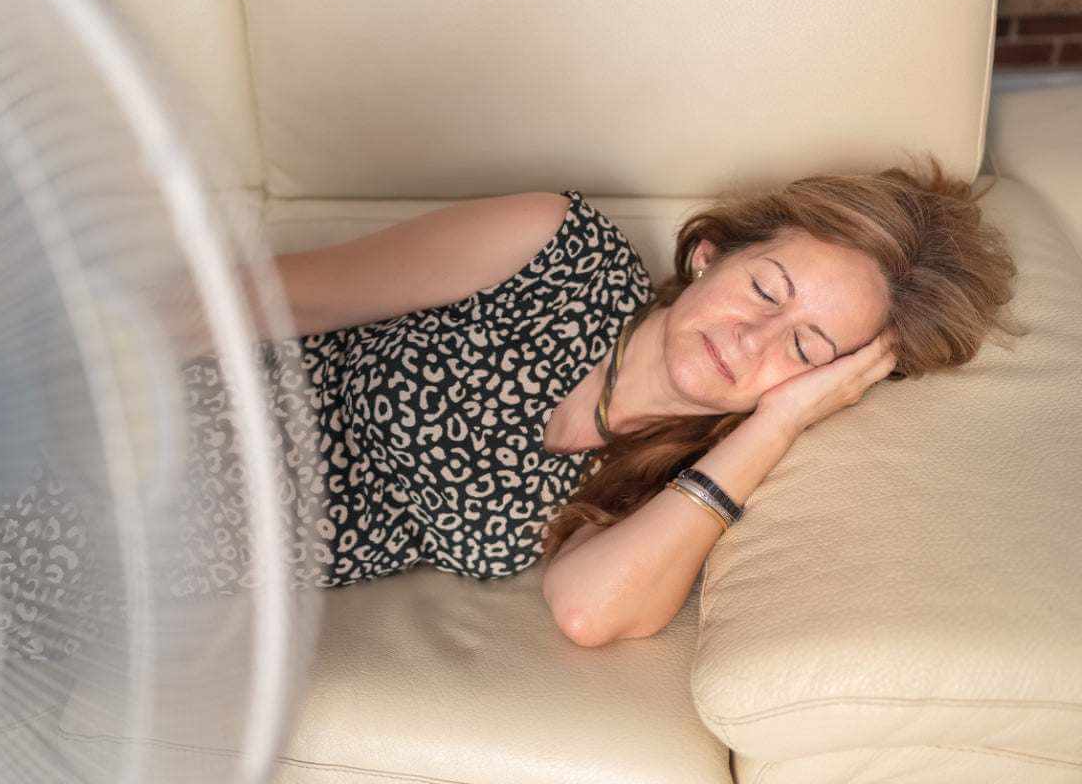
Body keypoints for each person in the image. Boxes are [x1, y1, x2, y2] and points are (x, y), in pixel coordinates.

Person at [175, 154, 1025, 633]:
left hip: (163, 564)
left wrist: (779, 421)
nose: (752, 340)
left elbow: (586, 611)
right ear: (709, 256)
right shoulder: (553, 248)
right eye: (766, 290)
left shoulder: (674, 479)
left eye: (806, 348)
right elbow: (266, 296)